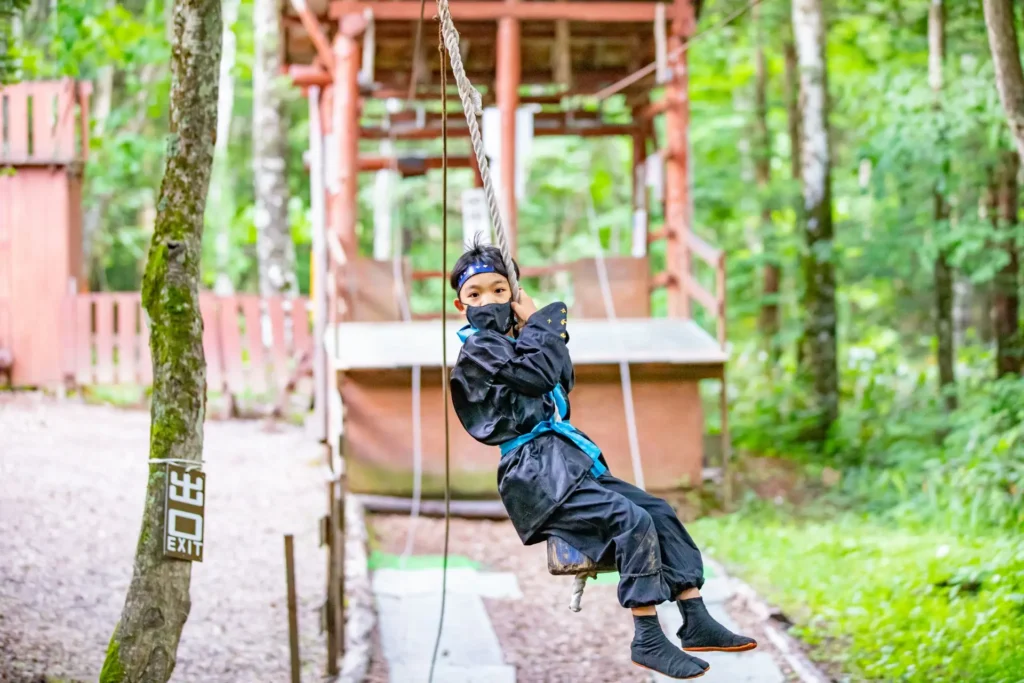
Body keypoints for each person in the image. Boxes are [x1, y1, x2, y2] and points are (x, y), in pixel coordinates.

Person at [448, 241, 757, 680]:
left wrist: (535, 329)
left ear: (514, 295)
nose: (488, 302)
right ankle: (647, 635)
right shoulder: (480, 349)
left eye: (500, 291)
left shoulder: (520, 342)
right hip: (536, 474)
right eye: (476, 295)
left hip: (565, 460)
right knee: (629, 520)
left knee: (658, 512)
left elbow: (561, 378)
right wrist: (542, 322)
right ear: (461, 304)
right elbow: (535, 379)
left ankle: (694, 614)